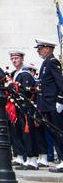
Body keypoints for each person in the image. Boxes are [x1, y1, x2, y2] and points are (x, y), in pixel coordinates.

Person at [35, 39, 63, 173]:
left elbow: (60, 83)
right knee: (55, 133)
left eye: (40, 48)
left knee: (59, 132)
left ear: (47, 48)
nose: (38, 51)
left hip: (54, 104)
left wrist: (60, 100)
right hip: (47, 104)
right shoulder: (46, 63)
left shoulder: (52, 62)